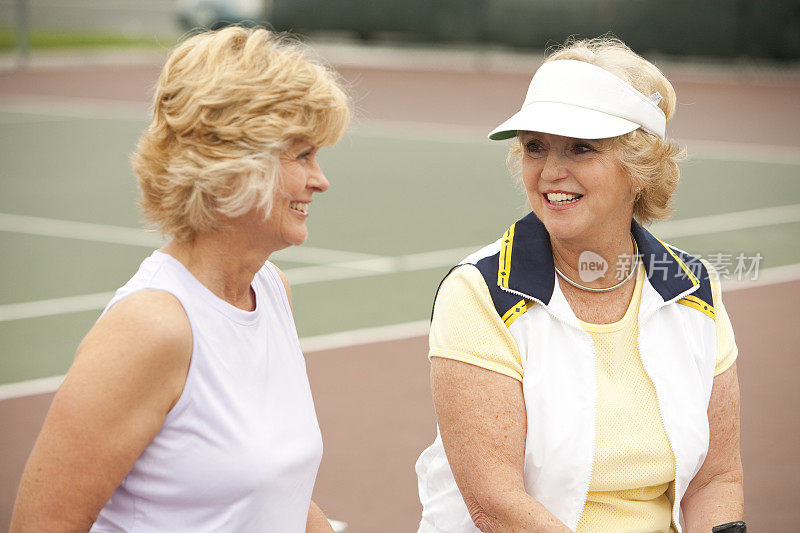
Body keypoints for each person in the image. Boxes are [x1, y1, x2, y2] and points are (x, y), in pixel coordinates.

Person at [10, 26, 349, 532]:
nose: (321, 180)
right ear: (233, 165)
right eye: (302, 155)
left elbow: (276, 499)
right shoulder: (151, 327)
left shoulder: (272, 290)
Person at [415, 37, 744, 533]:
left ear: (640, 167)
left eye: (581, 148)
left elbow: (716, 479)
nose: (550, 172)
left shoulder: (693, 287)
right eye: (534, 147)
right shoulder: (480, 293)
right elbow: (495, 505)